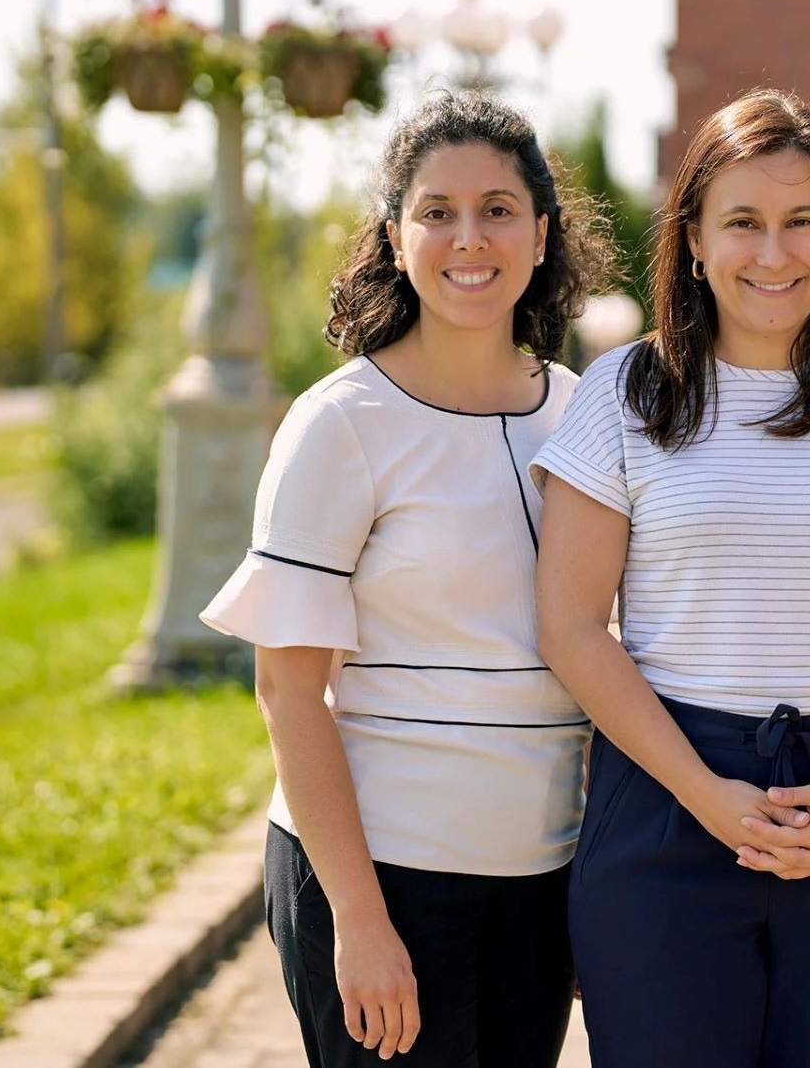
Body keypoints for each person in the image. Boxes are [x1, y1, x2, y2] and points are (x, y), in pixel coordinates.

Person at [531, 88, 810, 1068]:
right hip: (664, 798)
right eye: (742, 222)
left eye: (800, 221)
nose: (772, 253)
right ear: (693, 236)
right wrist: (703, 790)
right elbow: (569, 622)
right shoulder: (624, 392)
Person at [199, 90, 615, 1068]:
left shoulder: (591, 412)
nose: (468, 237)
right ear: (395, 234)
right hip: (382, 880)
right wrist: (361, 920)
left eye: (499, 208)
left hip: (541, 883)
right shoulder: (341, 422)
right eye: (437, 210)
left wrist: (596, 886)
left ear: (543, 231)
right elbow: (289, 687)